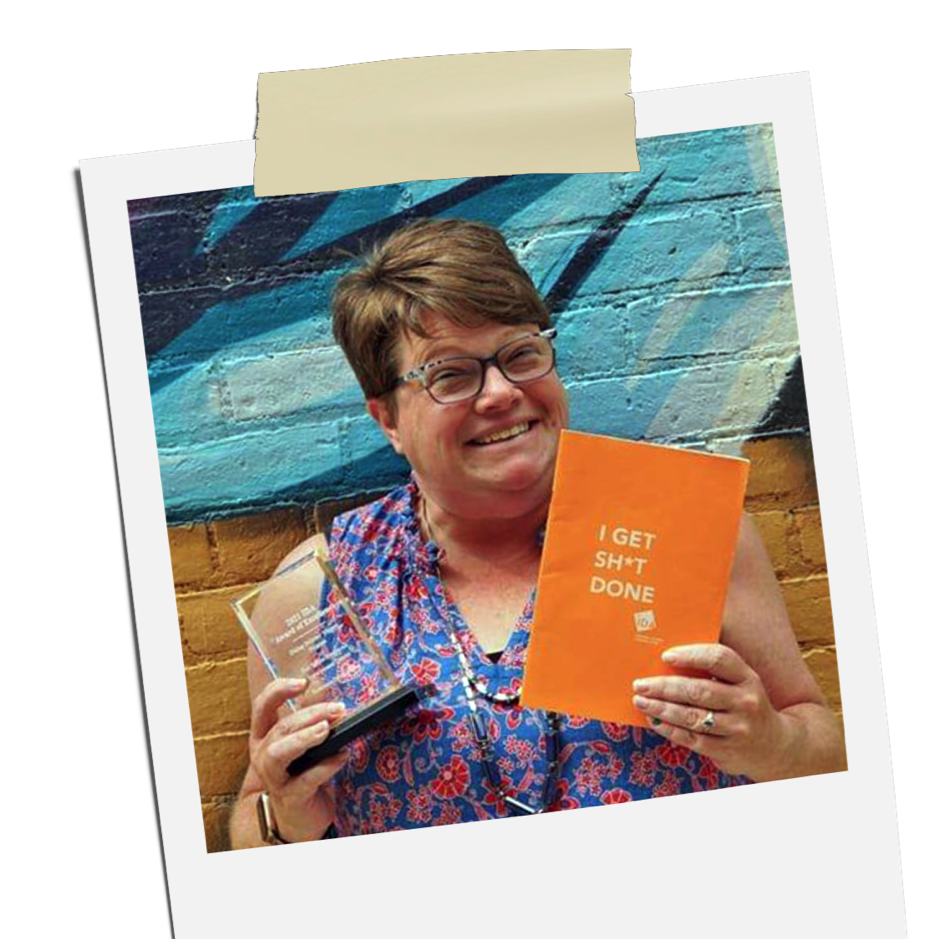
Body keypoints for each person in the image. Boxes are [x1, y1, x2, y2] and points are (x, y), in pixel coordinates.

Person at [229, 218, 846, 849]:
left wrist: (771, 741)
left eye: (521, 355)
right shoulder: (320, 584)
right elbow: (253, 820)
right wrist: (286, 817)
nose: (500, 392)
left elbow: (820, 743)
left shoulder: (685, 527)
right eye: (450, 375)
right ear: (387, 418)